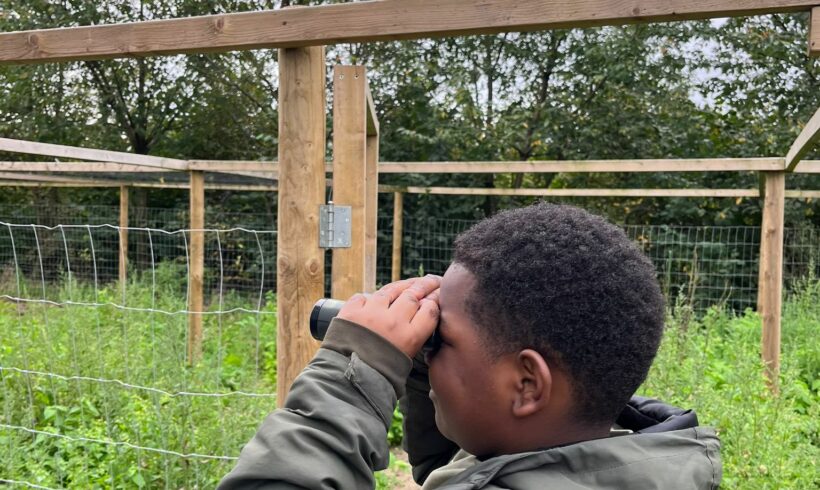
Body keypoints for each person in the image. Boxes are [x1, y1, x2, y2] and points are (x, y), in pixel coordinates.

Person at [218, 203, 722, 489]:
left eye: (442, 339)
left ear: (526, 385)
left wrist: (353, 375)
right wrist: (423, 371)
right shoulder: (634, 463)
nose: (428, 349)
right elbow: (475, 474)